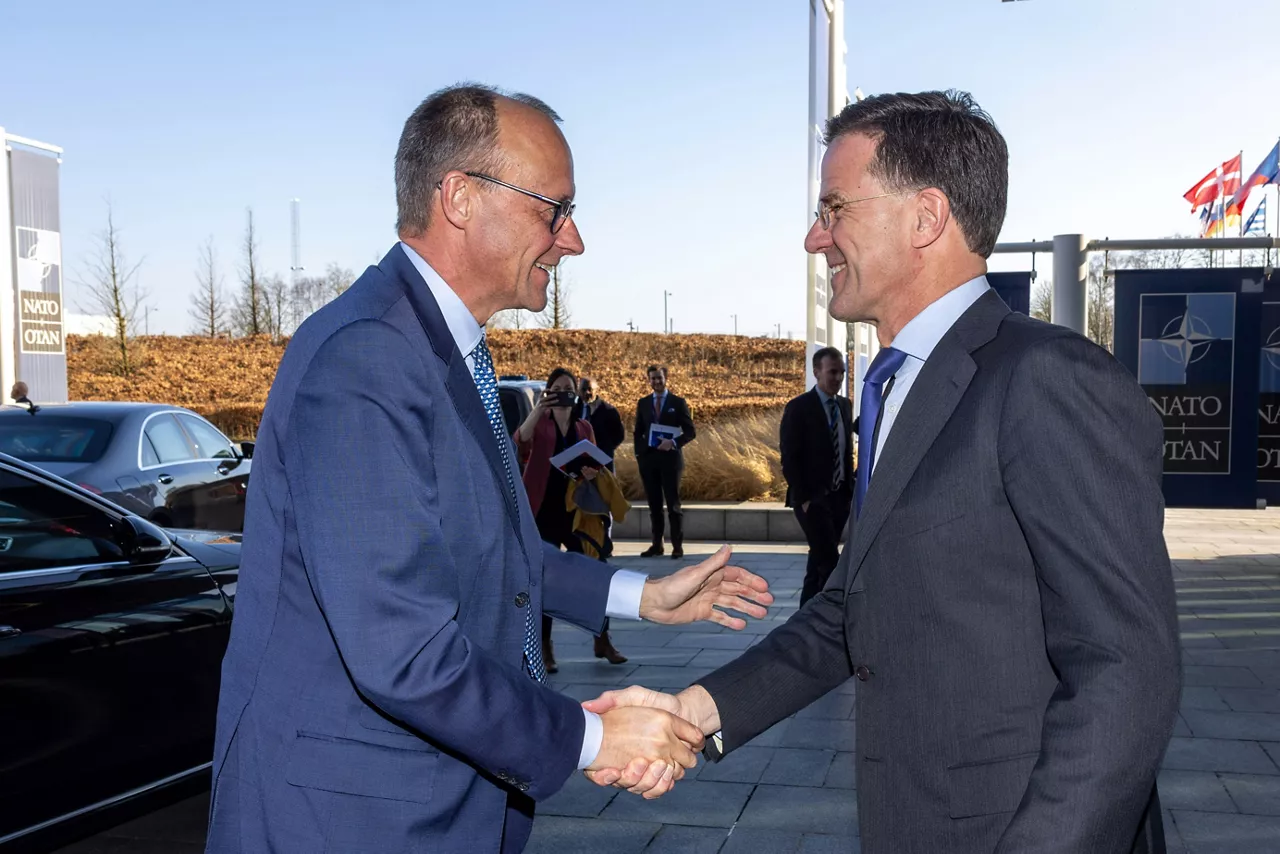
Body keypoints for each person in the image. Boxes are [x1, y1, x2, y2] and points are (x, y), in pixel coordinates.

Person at [586, 90, 1179, 854]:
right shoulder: (902, 384)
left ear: (926, 217)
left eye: (835, 209)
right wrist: (693, 712)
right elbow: (850, 613)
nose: (813, 238)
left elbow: (1126, 668)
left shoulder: (1046, 380)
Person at [205, 84, 773, 854]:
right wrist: (591, 738)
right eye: (556, 209)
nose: (573, 242)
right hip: (353, 820)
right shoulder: (366, 358)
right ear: (462, 198)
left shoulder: (440, 346)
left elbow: (480, 549)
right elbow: (400, 650)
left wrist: (643, 596)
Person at [516, 366, 627, 668]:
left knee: (593, 572)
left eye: (569, 388)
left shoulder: (583, 427)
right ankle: (545, 647)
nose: (564, 393)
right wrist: (539, 408)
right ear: (549, 392)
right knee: (545, 579)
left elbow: (591, 464)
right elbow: (521, 440)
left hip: (575, 512)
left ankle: (602, 640)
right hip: (542, 511)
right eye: (557, 388)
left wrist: (591, 472)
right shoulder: (540, 424)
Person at [780, 346, 854, 604]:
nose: (838, 378)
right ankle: (828, 621)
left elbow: (846, 451)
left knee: (818, 564)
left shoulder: (844, 406)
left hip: (840, 500)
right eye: (832, 372)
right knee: (830, 564)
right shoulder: (799, 408)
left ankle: (804, 620)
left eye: (842, 373)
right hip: (813, 500)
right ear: (816, 372)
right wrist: (805, 499)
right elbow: (789, 457)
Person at [633, 365, 696, 558]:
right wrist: (640, 455)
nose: (656, 382)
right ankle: (656, 545)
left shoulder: (678, 402)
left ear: (665, 378)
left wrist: (673, 443)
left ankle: (677, 545)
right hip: (649, 460)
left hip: (670, 460)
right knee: (654, 505)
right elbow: (637, 431)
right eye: (652, 379)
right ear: (648, 380)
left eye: (659, 378)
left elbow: (690, 432)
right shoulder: (643, 403)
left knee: (673, 504)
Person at [578, 376, 625, 469]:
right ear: (578, 391)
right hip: (579, 462)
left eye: (590, 389)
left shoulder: (609, 411)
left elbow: (619, 436)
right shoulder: (573, 410)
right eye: (583, 389)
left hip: (602, 463)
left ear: (596, 390)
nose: (587, 392)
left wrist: (606, 449)